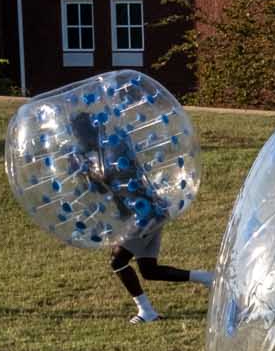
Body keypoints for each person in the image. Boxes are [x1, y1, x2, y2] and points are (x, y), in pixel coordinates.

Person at [71, 113, 211, 323]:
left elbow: (117, 174)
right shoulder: (96, 154)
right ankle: (206, 277)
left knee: (117, 261)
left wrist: (90, 172)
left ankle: (146, 312)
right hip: (146, 212)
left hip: (145, 212)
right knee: (149, 270)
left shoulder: (112, 148)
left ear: (89, 131)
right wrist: (82, 174)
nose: (79, 140)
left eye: (80, 134)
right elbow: (102, 190)